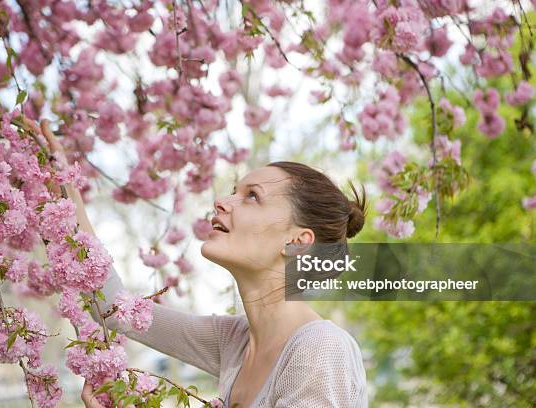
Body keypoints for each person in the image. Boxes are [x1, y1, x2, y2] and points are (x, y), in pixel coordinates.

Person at [35, 120, 368, 408]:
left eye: (252, 196)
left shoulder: (319, 349)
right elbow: (113, 308)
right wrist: (61, 180)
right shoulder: (233, 340)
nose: (221, 201)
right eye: (234, 191)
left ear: (297, 242)